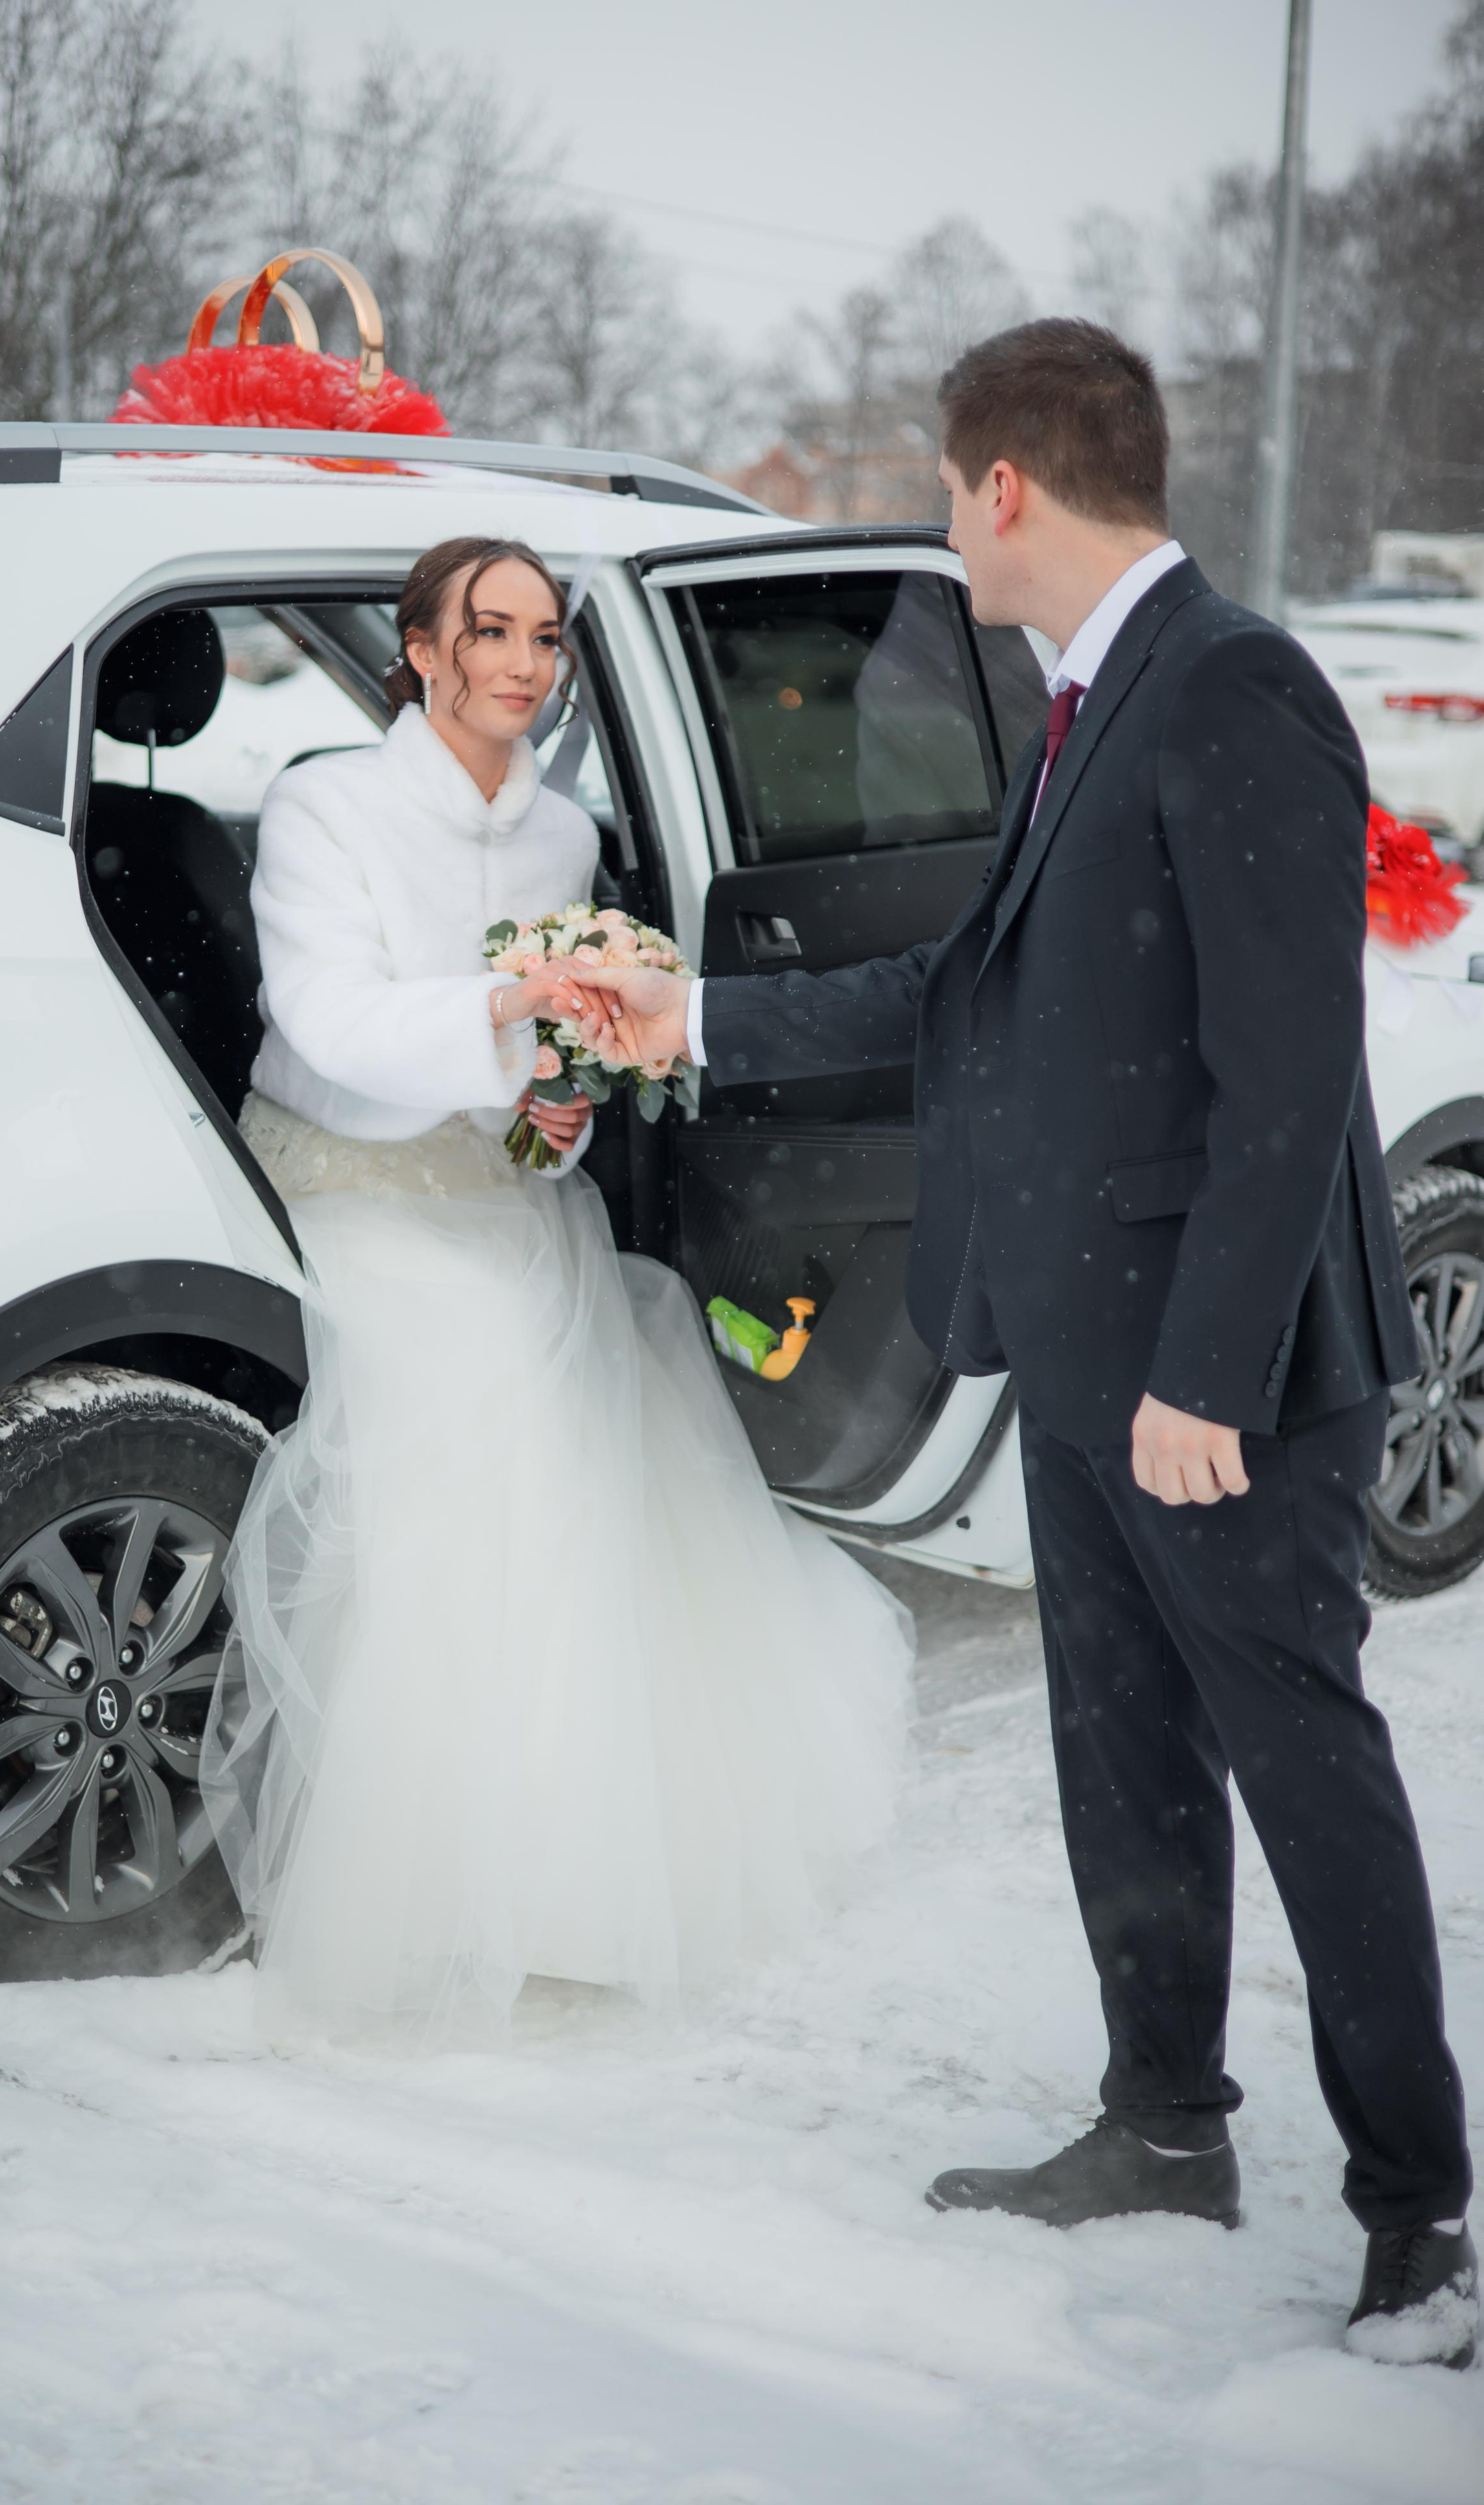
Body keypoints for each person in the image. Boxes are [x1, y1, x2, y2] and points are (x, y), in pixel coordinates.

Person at [570, 322, 1476, 2369]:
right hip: (1088, 1362)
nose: (936, 518)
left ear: (1004, 491)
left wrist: (1206, 1382)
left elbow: (1285, 1079)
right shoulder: (1089, 703)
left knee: (1305, 1771)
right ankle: (1165, 2127)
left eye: (939, 481)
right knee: (1123, 1759)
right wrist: (689, 1023)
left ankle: (1421, 2219)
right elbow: (964, 989)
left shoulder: (1234, 688)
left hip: (1214, 1386)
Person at [201, 533, 909, 2047]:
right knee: (473, 1391)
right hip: (344, 1183)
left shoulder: (564, 846)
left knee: (601, 1356)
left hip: (504, 1192)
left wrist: (557, 1097)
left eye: (546, 638)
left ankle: (565, 1871)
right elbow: (324, 1026)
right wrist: (513, 1011)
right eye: (491, 631)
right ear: (421, 647)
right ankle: (417, 1881)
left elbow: (552, 1073)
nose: (523, 663)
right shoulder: (325, 805)